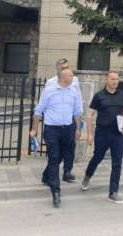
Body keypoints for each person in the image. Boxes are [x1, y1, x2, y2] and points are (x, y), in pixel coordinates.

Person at [30, 68, 82, 207]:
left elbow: (77, 112)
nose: (73, 77)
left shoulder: (73, 92)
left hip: (68, 129)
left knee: (61, 156)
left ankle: (46, 176)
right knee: (54, 157)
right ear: (62, 77)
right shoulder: (48, 91)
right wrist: (34, 129)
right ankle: (55, 191)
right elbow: (38, 112)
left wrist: (78, 129)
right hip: (52, 129)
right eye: (70, 75)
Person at [81, 70, 123, 204]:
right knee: (97, 158)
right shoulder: (99, 96)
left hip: (118, 135)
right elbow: (90, 115)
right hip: (102, 134)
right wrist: (89, 134)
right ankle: (88, 175)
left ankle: (113, 192)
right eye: (112, 79)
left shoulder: (122, 95)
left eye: (117, 79)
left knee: (117, 164)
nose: (115, 81)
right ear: (106, 80)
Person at [41, 58, 83, 183]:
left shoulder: (74, 80)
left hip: (70, 117)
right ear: (57, 69)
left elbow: (78, 97)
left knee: (70, 145)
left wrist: (79, 114)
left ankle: (67, 171)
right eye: (63, 68)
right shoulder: (51, 82)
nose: (66, 70)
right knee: (57, 151)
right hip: (56, 120)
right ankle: (47, 175)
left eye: (67, 67)